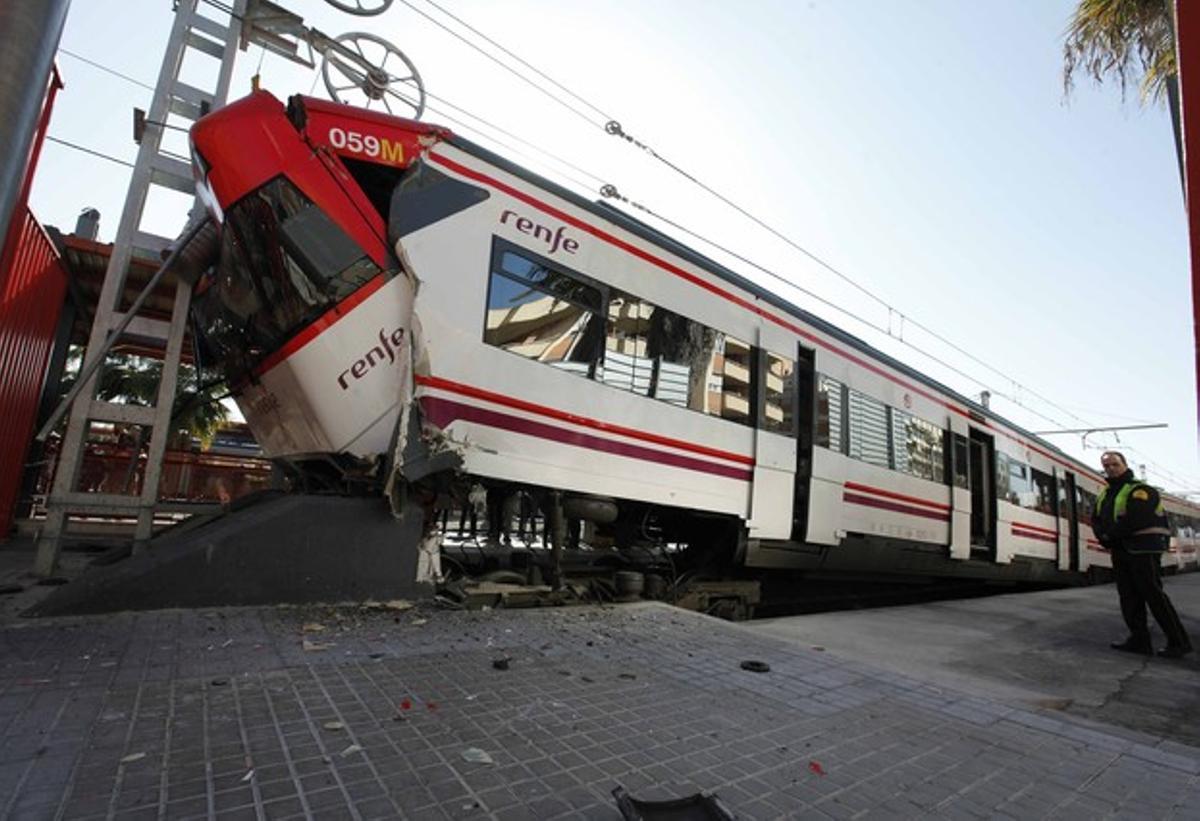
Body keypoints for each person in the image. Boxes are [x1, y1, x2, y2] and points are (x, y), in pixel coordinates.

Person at [1091, 451, 1192, 658]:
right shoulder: (1106, 493)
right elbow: (1096, 518)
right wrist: (1103, 536)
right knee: (1128, 596)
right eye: (1107, 466)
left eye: (1115, 464)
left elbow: (1137, 518)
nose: (1110, 469)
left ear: (1125, 465)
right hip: (1121, 550)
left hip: (1143, 549)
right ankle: (1139, 640)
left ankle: (1178, 642)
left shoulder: (1141, 490)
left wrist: (1110, 535)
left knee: (1153, 595)